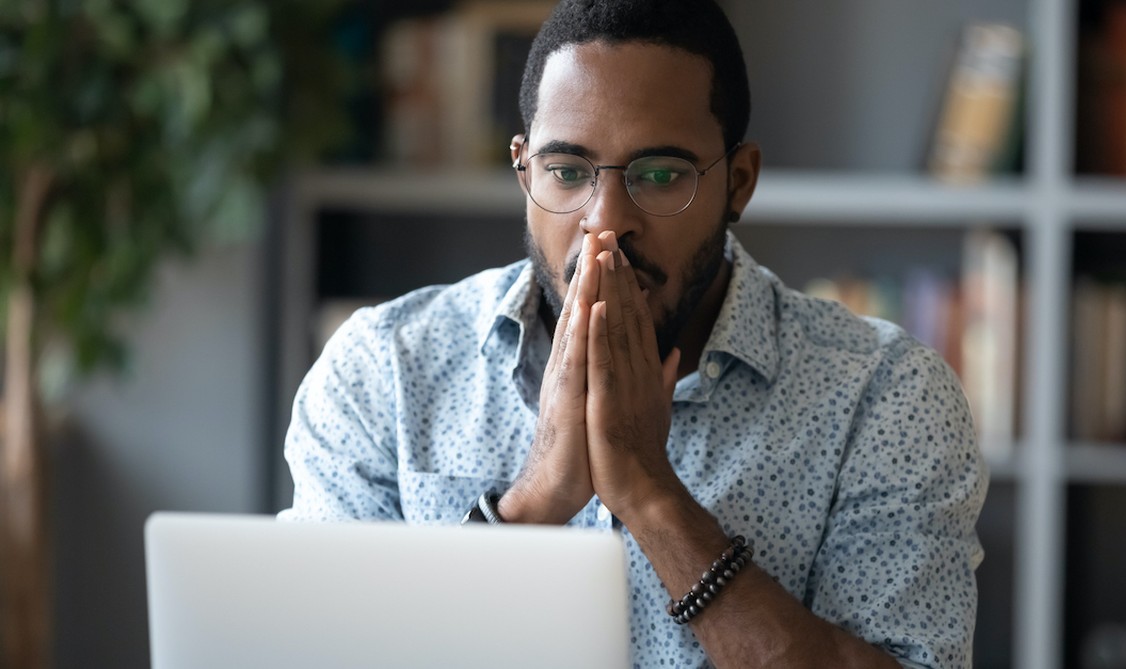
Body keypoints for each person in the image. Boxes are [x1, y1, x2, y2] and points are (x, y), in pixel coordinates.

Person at [279, 1, 988, 667]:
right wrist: (535, 501)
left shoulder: (886, 396)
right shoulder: (383, 369)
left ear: (738, 182)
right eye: (566, 171)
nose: (606, 222)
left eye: (658, 174)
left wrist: (650, 494)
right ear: (523, 169)